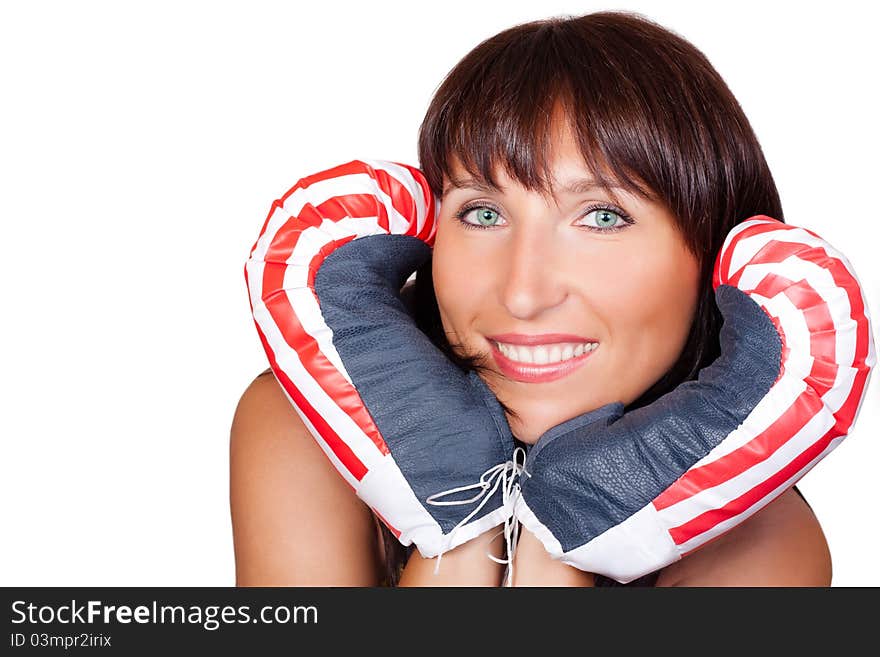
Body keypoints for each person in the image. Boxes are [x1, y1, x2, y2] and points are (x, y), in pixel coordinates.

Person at [230, 10, 832, 586]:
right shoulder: (300, 426)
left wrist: (571, 522)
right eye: (484, 212)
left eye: (602, 216)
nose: (522, 293)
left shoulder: (767, 542)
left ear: (713, 255)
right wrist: (458, 505)